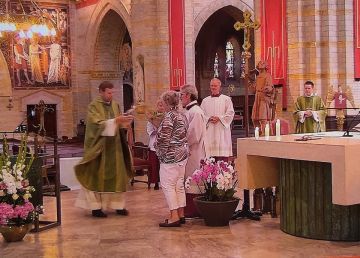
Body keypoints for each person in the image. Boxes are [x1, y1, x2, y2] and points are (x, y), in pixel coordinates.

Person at [75, 81, 134, 218]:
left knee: (118, 176)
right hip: (100, 148)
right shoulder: (93, 106)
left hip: (115, 147)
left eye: (112, 92)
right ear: (101, 92)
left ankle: (118, 205)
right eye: (108, 92)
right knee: (97, 176)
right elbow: (95, 125)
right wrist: (115, 121)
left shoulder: (115, 105)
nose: (111, 95)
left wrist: (125, 122)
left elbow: (118, 123)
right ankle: (96, 207)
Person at [155, 90, 189, 227]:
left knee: (168, 186)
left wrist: (159, 153)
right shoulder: (182, 115)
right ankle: (181, 214)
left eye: (163, 101)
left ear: (167, 102)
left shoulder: (169, 117)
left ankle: (173, 216)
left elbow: (164, 139)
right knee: (179, 185)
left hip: (170, 158)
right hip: (182, 156)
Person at [180, 84, 206, 218]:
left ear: (188, 95)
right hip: (189, 151)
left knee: (193, 179)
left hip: (194, 152)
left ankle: (193, 210)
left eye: (181, 96)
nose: (180, 99)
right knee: (189, 179)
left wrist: (179, 140)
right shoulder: (190, 111)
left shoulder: (195, 111)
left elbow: (194, 135)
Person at [200, 78, 234, 161]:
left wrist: (219, 118)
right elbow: (201, 115)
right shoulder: (205, 101)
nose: (213, 87)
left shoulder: (226, 99)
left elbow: (230, 113)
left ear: (219, 87)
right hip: (210, 131)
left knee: (222, 158)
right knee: (210, 158)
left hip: (221, 130)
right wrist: (209, 118)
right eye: (212, 85)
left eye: (215, 85)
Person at [251, 61, 275, 135]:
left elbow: (270, 87)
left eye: (262, 63)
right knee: (254, 117)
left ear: (266, 66)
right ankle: (258, 132)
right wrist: (249, 83)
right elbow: (253, 89)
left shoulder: (268, 76)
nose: (260, 64)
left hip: (264, 98)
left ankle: (266, 133)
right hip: (257, 97)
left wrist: (266, 88)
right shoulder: (258, 77)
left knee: (263, 117)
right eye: (259, 63)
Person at [146, 99, 165, 190]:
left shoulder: (166, 117)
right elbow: (149, 129)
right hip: (154, 142)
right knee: (155, 165)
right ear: (156, 106)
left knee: (163, 165)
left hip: (163, 144)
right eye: (159, 105)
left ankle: (163, 182)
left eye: (162, 105)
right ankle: (156, 182)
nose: (161, 107)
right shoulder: (152, 117)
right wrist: (156, 130)